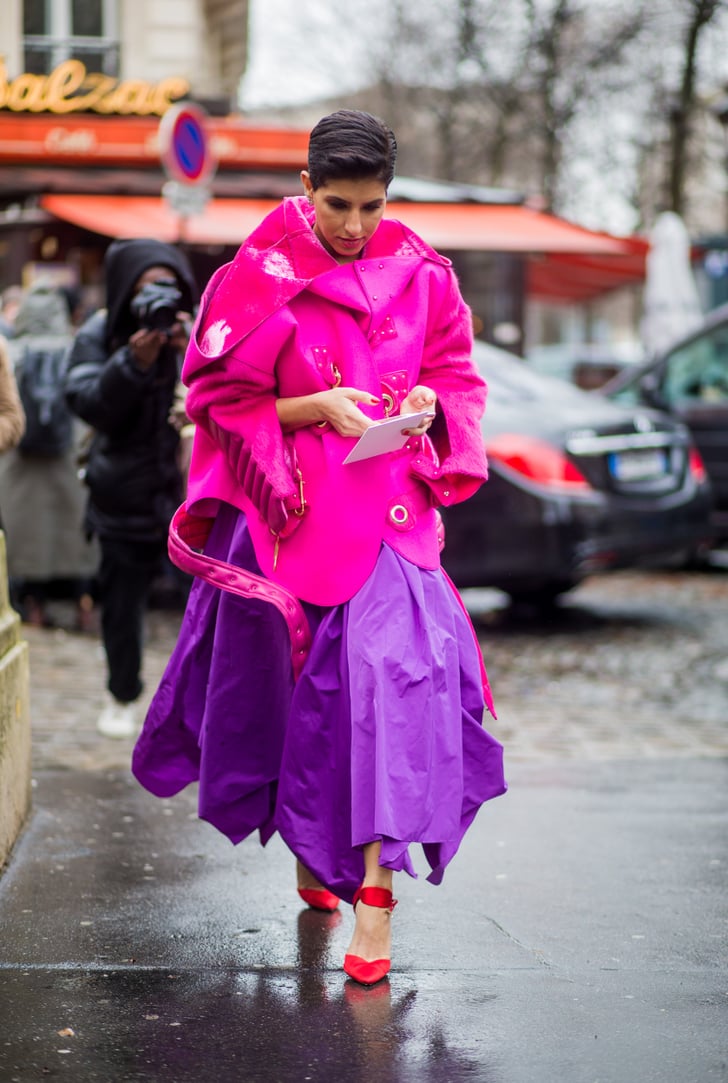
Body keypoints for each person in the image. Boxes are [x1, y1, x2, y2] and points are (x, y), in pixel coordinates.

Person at [131, 110, 506, 986]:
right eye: (337, 204)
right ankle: (311, 852)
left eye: (372, 206)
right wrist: (315, 410)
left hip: (394, 527)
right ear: (305, 188)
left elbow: (460, 378)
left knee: (395, 702)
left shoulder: (425, 275)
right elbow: (216, 398)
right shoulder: (253, 275)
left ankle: (378, 896)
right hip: (286, 524)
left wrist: (428, 407)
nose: (354, 226)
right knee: (295, 705)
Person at [65, 239, 198, 738]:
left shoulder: (198, 335)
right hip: (121, 496)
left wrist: (192, 361)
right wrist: (132, 364)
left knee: (203, 606)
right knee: (121, 604)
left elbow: (234, 397)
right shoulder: (102, 333)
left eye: (167, 286)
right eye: (146, 288)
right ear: (124, 292)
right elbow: (86, 402)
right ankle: (122, 693)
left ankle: (197, 705)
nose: (158, 299)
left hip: (187, 496)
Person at [0, 281, 97, 628]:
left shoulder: (13, 350)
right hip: (67, 461)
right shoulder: (74, 349)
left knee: (28, 539)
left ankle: (34, 606)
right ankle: (83, 604)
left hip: (21, 466)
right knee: (74, 538)